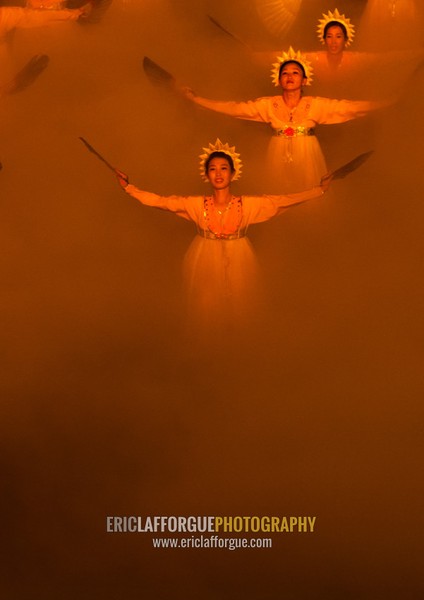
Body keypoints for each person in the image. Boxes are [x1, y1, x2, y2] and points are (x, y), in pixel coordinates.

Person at [114, 139, 333, 334]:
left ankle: (239, 351)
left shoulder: (248, 204)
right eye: (213, 169)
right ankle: (208, 351)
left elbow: (283, 200)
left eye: (223, 168)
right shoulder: (195, 204)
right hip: (205, 255)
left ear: (233, 172)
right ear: (206, 174)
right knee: (206, 306)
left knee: (240, 302)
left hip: (239, 255)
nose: (218, 174)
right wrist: (130, 188)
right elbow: (162, 201)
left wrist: (318, 190)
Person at [180, 48, 382, 194]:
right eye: (284, 73)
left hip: (307, 154)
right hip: (278, 153)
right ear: (278, 80)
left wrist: (384, 103)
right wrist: (197, 99)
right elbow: (235, 108)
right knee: (277, 195)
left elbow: (348, 107)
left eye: (295, 73)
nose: (289, 76)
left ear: (304, 80)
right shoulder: (268, 105)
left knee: (310, 194)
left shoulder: (316, 104)